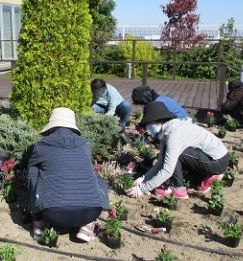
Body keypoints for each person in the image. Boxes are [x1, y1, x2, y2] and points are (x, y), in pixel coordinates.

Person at [28, 107, 110, 242]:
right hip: (91, 211)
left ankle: (39, 224)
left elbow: (31, 170)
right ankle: (86, 227)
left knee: (35, 172)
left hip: (54, 214)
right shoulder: (84, 144)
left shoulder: (41, 145)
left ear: (51, 127)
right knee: (98, 180)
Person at [126, 102, 229, 200]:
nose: (147, 128)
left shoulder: (174, 135)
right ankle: (206, 176)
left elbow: (167, 170)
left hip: (218, 161)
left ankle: (178, 189)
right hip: (212, 157)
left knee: (175, 155)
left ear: (159, 121)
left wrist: (142, 189)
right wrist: (144, 179)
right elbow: (160, 162)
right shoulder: (167, 130)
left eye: (149, 123)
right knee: (172, 154)